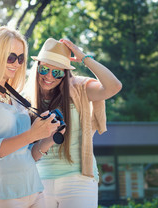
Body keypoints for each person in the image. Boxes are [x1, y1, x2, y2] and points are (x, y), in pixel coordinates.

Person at [24, 38, 122, 208]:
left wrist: (84, 58)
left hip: (78, 181)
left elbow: (113, 87)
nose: (49, 76)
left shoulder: (80, 89)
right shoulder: (26, 99)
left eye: (57, 72)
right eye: (45, 69)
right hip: (39, 180)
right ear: (37, 67)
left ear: (65, 73)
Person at [0, 26, 60, 208]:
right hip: (2, 194)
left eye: (20, 58)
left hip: (34, 188)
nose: (16, 64)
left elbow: (26, 154)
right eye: (10, 57)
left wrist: (47, 139)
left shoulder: (17, 98)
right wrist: (32, 135)